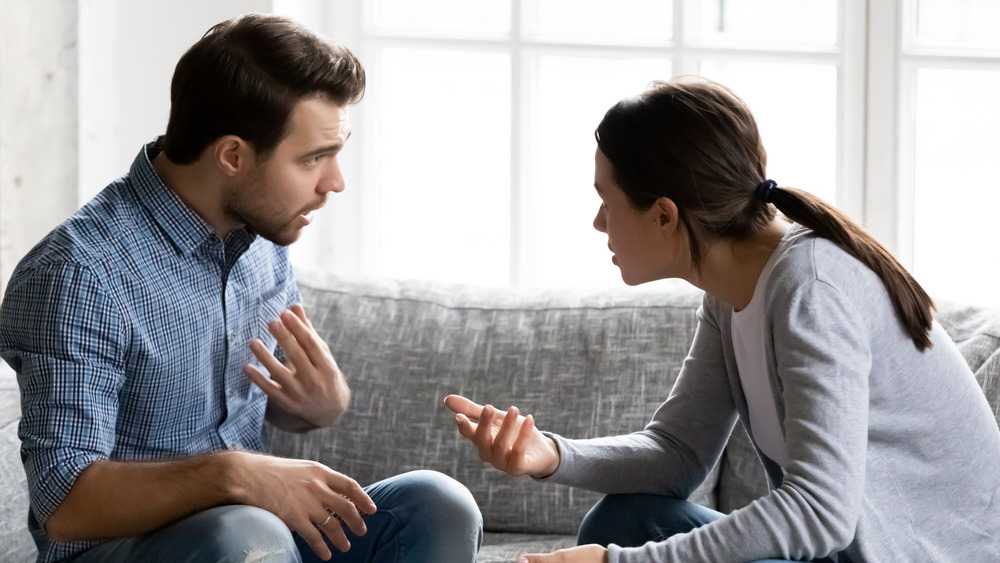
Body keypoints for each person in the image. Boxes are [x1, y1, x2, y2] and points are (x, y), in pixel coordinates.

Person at [445, 77, 1000, 562]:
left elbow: (820, 513)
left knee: (621, 546)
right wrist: (551, 455)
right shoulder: (729, 290)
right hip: (841, 554)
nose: (597, 222)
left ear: (664, 215)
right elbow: (677, 456)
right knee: (622, 522)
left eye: (606, 202)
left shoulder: (810, 289)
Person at [0, 13, 481, 563]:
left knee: (440, 504)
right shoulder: (78, 276)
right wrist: (233, 475)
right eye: (313, 159)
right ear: (232, 156)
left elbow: (237, 404)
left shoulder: (263, 233)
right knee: (245, 534)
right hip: (138, 551)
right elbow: (65, 506)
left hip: (261, 544)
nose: (335, 182)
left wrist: (317, 406)